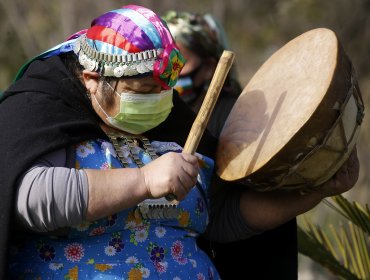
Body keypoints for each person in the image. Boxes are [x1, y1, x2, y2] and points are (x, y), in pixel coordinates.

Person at [0, 4, 359, 279]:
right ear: (93, 79)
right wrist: (143, 181)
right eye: (142, 91)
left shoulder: (174, 129)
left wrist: (314, 192)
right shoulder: (37, 113)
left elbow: (221, 217)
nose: (160, 100)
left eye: (165, 91)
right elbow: (28, 197)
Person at [162, 11, 298, 279]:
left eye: (183, 60)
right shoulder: (171, 112)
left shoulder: (236, 116)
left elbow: (235, 205)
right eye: (168, 60)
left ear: (212, 67)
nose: (173, 71)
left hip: (246, 260)